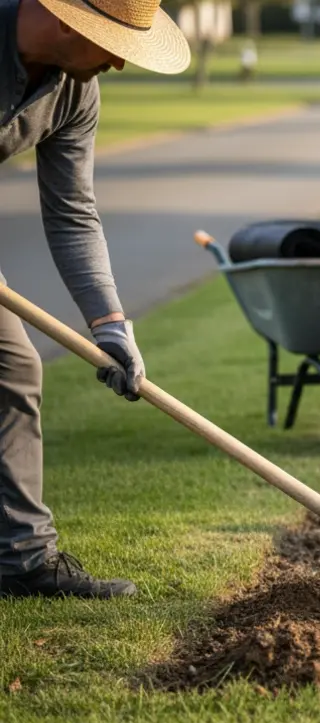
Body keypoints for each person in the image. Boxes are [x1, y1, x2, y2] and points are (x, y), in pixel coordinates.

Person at [0, 0, 189, 598]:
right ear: (63, 19)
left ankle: (21, 560)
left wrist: (111, 325)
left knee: (11, 366)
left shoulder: (74, 92)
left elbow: (73, 214)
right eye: (112, 44)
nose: (119, 63)